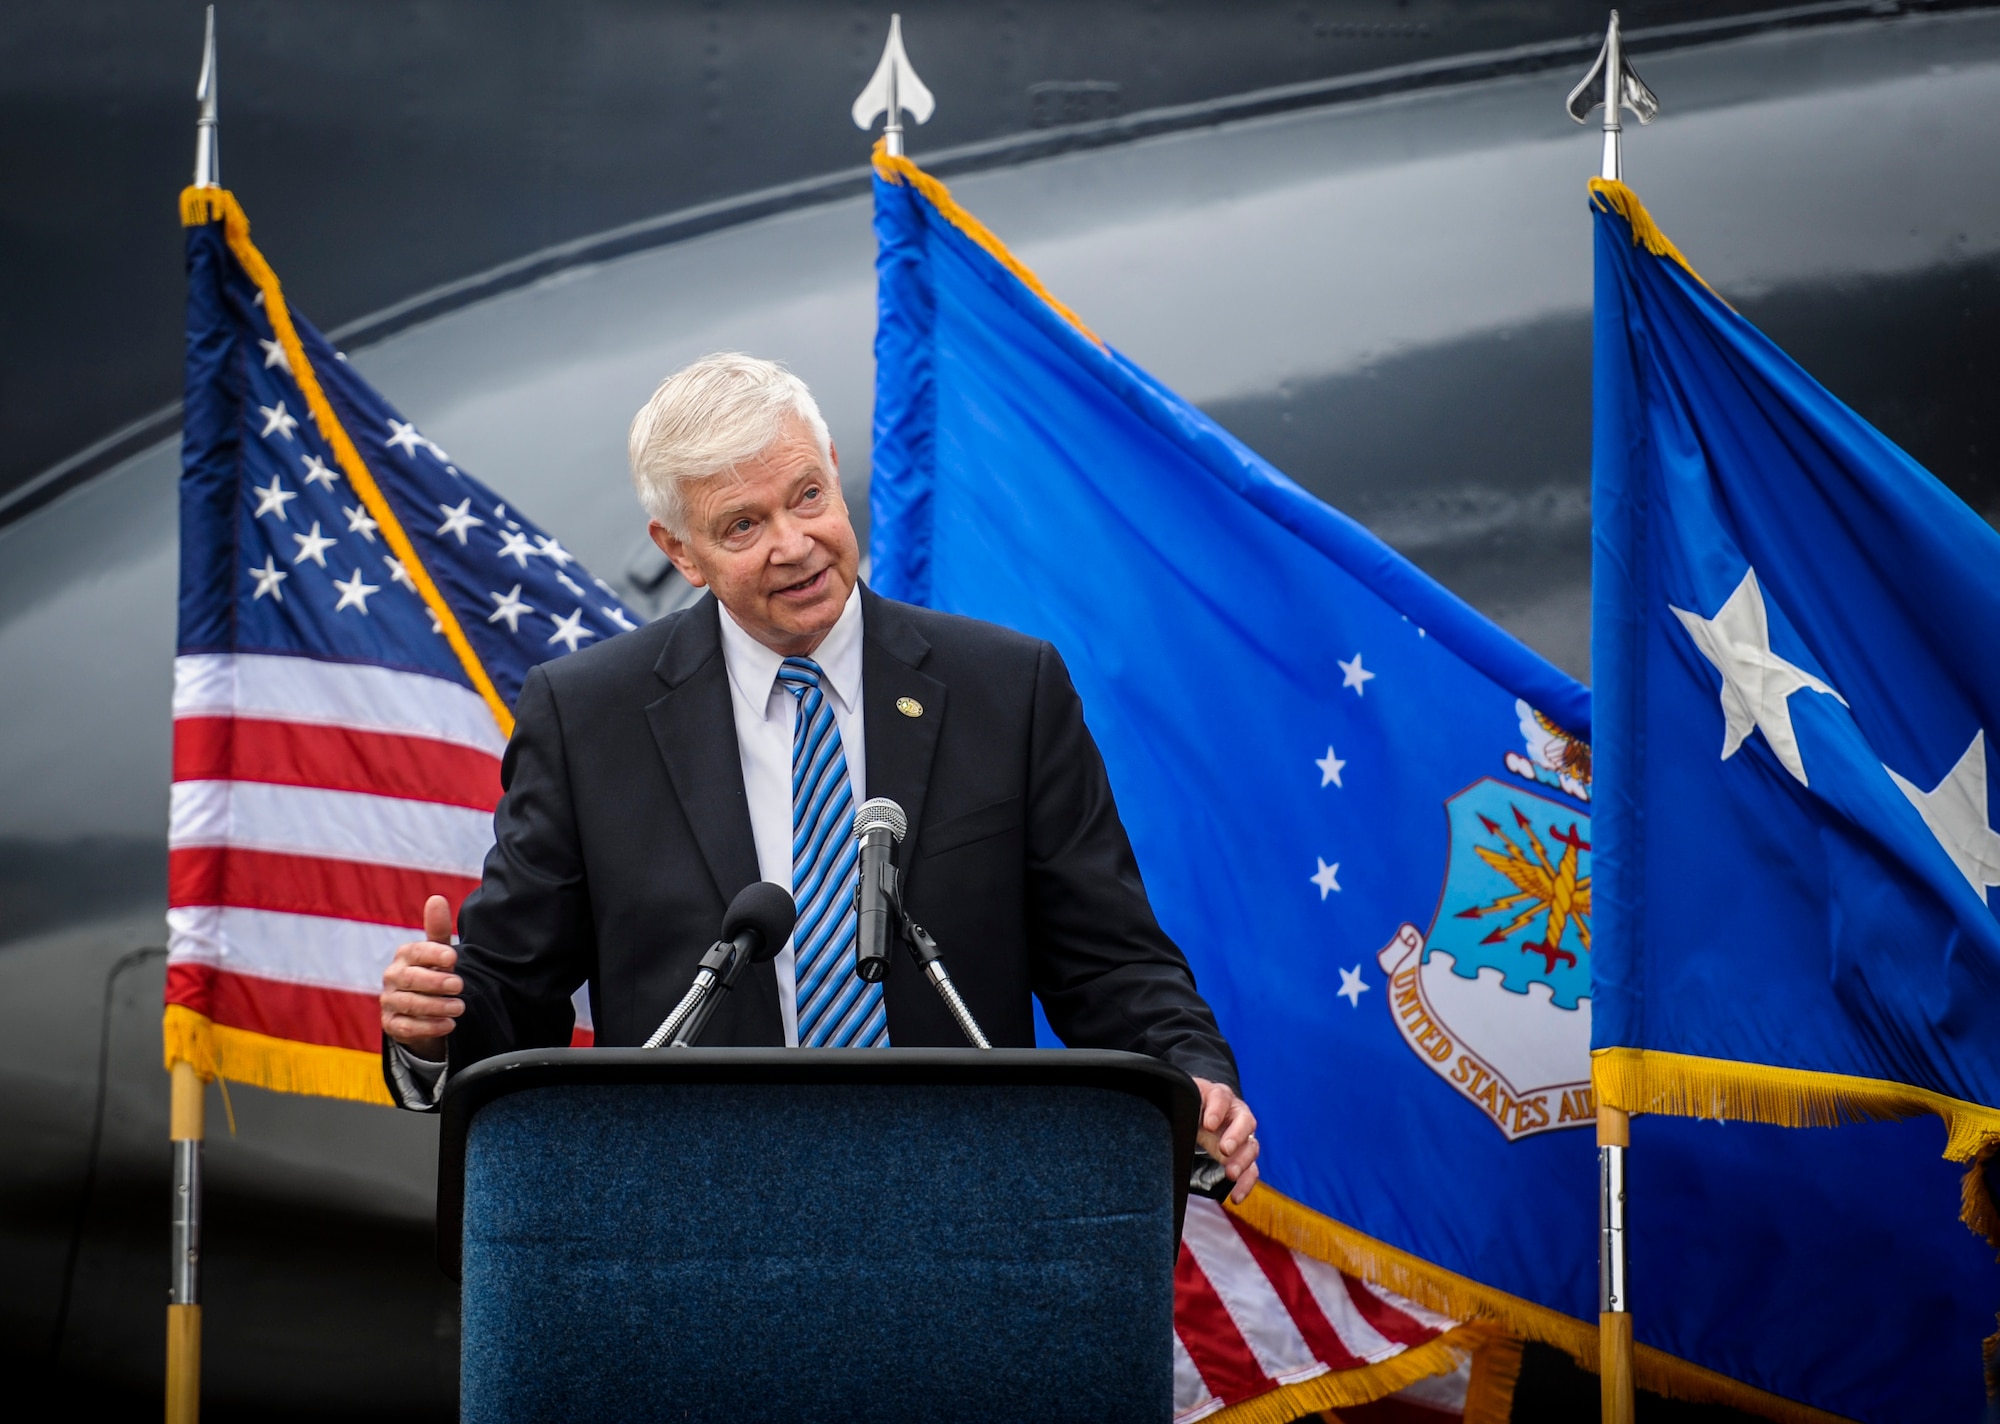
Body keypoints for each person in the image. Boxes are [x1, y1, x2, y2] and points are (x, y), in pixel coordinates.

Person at [378, 352, 1260, 1200]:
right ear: (680, 552)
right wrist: (437, 1025)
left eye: (807, 496)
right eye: (743, 526)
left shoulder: (1006, 689)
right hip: (693, 1225)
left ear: (835, 471)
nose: (795, 545)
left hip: (965, 1210)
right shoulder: (587, 720)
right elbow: (509, 999)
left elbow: (1108, 963)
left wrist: (1192, 1080)